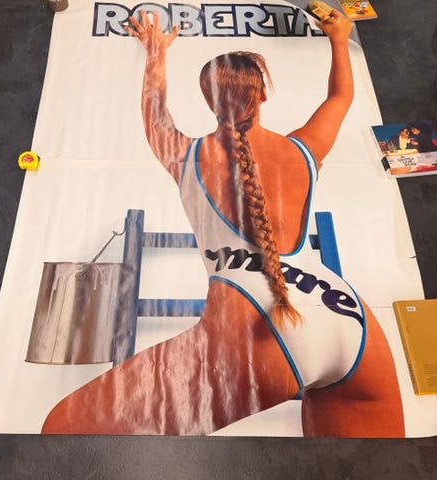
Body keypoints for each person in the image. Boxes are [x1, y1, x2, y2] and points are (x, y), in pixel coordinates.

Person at [42, 9, 405, 437]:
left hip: (256, 318)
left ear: (209, 100)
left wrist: (156, 55)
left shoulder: (186, 156)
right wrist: (339, 39)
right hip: (349, 317)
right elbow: (340, 98)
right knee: (369, 465)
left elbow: (154, 111)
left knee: (63, 431)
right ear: (263, 93)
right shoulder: (304, 150)